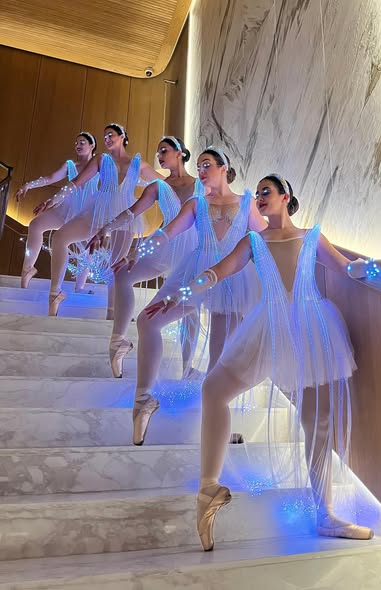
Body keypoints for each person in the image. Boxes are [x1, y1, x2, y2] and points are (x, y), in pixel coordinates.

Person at [146, 173, 381, 550]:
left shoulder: (311, 236)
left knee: (317, 422)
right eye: (257, 193)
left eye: (266, 191)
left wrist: (380, 265)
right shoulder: (253, 241)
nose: (259, 197)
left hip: (312, 327)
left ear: (286, 196)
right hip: (268, 328)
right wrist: (180, 295)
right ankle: (209, 488)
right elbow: (218, 272)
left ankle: (326, 514)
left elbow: (347, 268)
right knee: (214, 390)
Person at [128, 147, 267, 446]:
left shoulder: (246, 204)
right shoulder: (196, 204)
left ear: (223, 167)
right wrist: (137, 253)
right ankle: (143, 400)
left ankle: (216, 426)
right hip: (194, 272)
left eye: (207, 165)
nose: (201, 171)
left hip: (232, 279)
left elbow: (268, 241)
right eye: (199, 166)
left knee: (219, 362)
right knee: (147, 321)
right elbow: (167, 233)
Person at [87, 136, 200, 378]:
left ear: (179, 152)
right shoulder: (158, 187)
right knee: (122, 274)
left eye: (164, 150)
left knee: (191, 308)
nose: (159, 156)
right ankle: (118, 340)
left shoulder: (202, 184)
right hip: (164, 245)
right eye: (158, 152)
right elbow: (131, 212)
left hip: (194, 249)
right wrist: (106, 228)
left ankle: (188, 367)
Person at [35, 123, 162, 317]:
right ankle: (55, 293)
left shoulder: (139, 164)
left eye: (111, 135)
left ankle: (112, 314)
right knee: (60, 237)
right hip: (98, 210)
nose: (107, 139)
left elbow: (164, 184)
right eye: (105, 137)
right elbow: (76, 182)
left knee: (117, 265)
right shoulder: (101, 159)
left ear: (122, 137)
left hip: (125, 213)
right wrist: (54, 199)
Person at [15, 132, 98, 291]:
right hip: (66, 208)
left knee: (87, 248)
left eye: (82, 142)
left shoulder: (98, 164)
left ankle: (80, 286)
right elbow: (50, 178)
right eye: (76, 143)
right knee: (35, 225)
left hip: (86, 212)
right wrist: (28, 185)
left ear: (92, 145)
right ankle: (28, 269)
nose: (78, 145)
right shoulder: (70, 165)